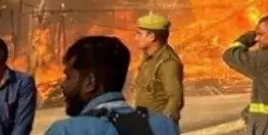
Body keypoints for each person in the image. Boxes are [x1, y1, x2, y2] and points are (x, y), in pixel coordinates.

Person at [44, 35, 178, 135]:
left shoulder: (66, 131)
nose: (63, 85)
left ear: (90, 82)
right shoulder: (164, 126)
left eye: (68, 77)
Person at [132, 14, 184, 123]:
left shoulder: (167, 62)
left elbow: (175, 99)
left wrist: (163, 125)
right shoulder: (149, 58)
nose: (135, 38)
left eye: (139, 34)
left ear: (151, 37)